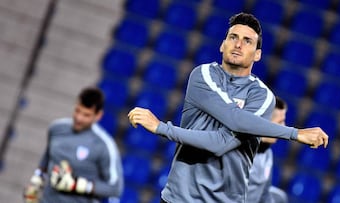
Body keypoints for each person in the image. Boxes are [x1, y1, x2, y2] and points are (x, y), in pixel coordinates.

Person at [128, 12, 328, 203]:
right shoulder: (203, 75)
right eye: (233, 37)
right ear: (222, 45)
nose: (238, 44)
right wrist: (295, 133)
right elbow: (234, 120)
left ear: (257, 55)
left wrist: (162, 128)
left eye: (247, 41)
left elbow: (222, 142)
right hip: (179, 197)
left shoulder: (262, 96)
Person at [23, 87, 123, 203]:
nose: (79, 118)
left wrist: (77, 185)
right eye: (77, 111)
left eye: (86, 115)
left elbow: (115, 188)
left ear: (98, 115)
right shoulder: (56, 129)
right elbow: (46, 160)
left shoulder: (104, 145)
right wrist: (36, 182)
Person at [246, 96, 288, 203]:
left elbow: (264, 194)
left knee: (280, 197)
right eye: (280, 122)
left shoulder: (267, 154)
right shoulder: (239, 153)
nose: (284, 127)